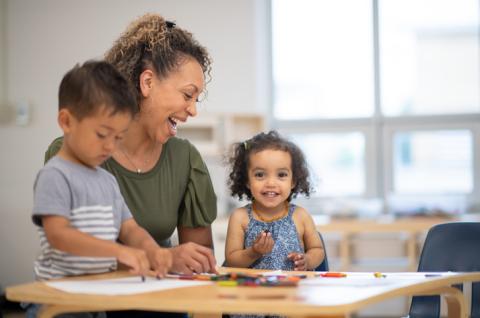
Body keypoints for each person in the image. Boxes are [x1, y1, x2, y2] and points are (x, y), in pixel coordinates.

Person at [44, 13, 217, 276]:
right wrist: (163, 259)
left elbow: (199, 263)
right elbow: (71, 252)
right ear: (147, 82)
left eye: (197, 99)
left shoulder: (185, 159)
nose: (193, 110)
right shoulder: (73, 154)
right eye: (187, 94)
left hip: (159, 301)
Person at [27, 61, 173, 318]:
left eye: (118, 137)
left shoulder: (107, 182)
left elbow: (129, 229)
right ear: (67, 121)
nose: (110, 146)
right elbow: (58, 235)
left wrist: (151, 250)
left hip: (97, 301)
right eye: (102, 134)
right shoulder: (55, 175)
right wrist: (119, 251)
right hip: (58, 302)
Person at [225, 130, 325, 271]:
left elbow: (317, 249)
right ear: (247, 180)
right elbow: (232, 261)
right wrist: (254, 252)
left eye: (281, 175)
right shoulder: (240, 218)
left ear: (293, 181)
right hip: (252, 290)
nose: (271, 183)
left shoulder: (301, 216)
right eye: (260, 175)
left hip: (295, 289)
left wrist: (307, 260)